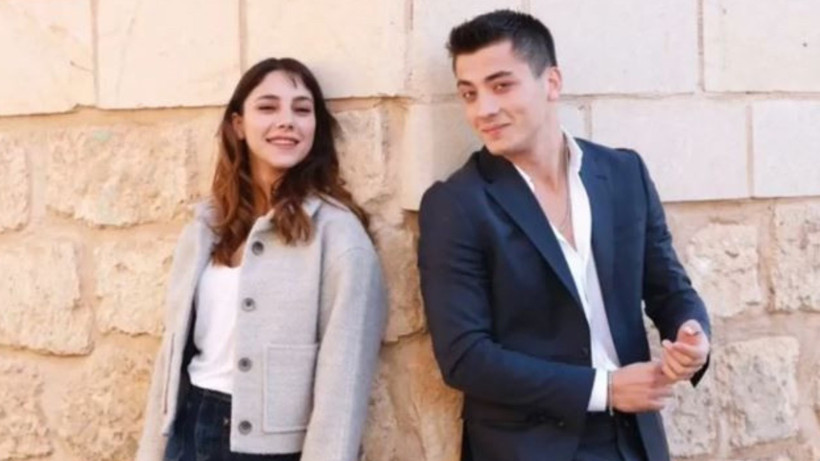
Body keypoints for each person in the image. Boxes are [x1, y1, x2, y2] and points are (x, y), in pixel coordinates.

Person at [417, 10, 711, 461]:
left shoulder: (624, 173)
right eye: (469, 94)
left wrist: (692, 335)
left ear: (551, 82)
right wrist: (605, 388)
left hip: (634, 440)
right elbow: (465, 357)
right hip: (525, 447)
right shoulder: (456, 203)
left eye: (501, 86)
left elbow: (669, 288)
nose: (483, 110)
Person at [137, 57, 387, 461]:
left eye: (302, 110)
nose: (286, 121)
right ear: (238, 124)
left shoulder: (338, 236)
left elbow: (344, 383)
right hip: (188, 429)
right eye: (268, 107)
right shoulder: (206, 227)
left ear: (316, 128)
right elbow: (171, 357)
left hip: (270, 451)